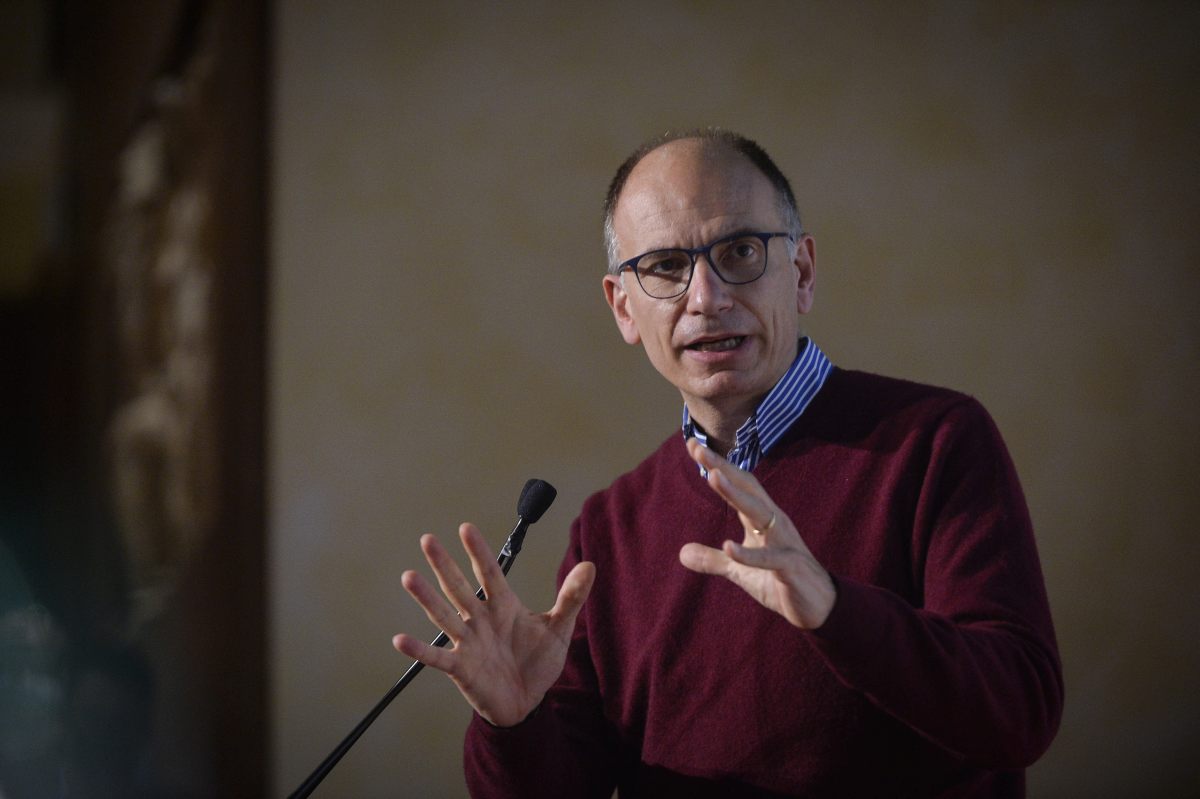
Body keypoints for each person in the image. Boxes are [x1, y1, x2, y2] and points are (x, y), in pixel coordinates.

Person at [392, 130, 1063, 797]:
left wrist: (835, 609)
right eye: (665, 266)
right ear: (624, 308)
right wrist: (514, 723)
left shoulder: (935, 442)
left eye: (740, 252)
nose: (706, 297)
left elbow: (1020, 713)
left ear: (802, 273)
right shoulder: (610, 528)